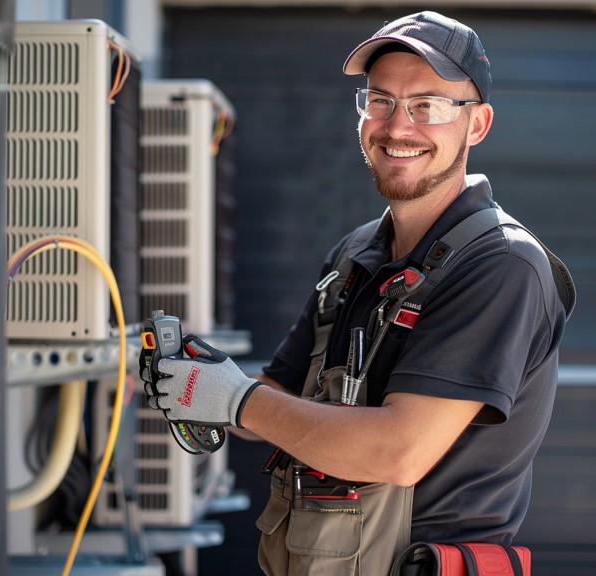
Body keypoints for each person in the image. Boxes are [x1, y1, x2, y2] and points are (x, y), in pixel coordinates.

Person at [140, 10, 574, 575]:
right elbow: (279, 400)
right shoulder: (355, 255)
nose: (398, 127)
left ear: (477, 124)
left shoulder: (501, 267)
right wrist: (198, 384)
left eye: (429, 105)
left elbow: (399, 452)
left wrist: (236, 399)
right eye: (381, 100)